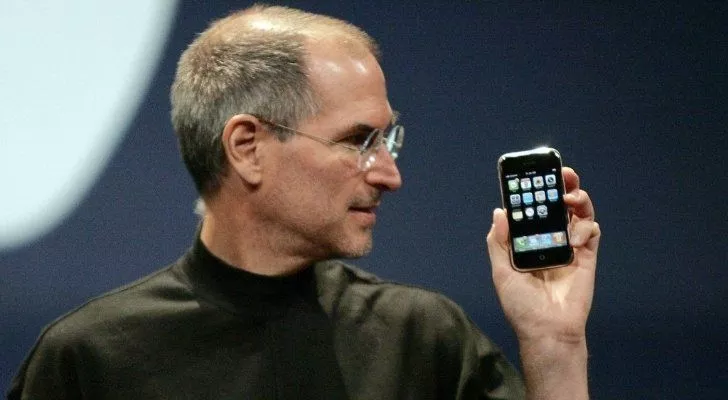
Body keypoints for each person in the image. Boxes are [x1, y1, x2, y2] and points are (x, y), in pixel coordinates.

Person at [8, 5, 600, 400]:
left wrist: (555, 344)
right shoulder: (91, 360)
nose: (389, 173)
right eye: (357, 141)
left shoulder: (422, 340)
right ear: (248, 147)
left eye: (388, 138)